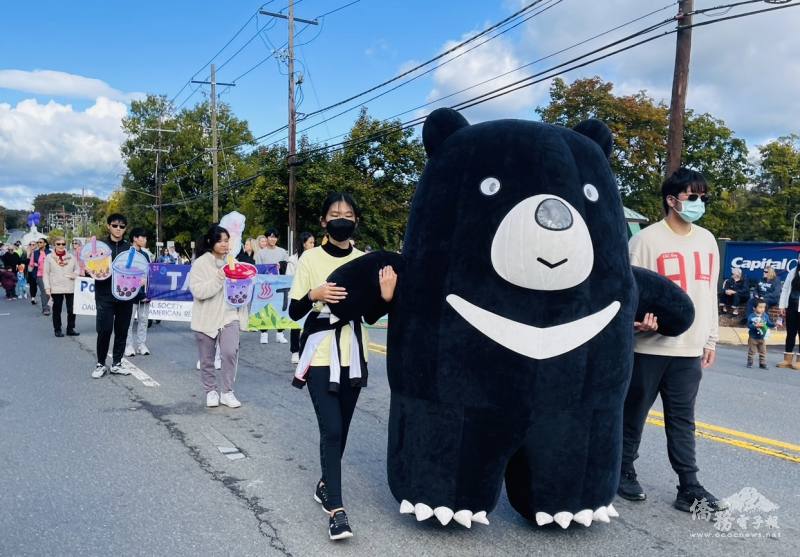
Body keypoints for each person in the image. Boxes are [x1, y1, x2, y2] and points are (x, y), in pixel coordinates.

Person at [288, 192, 397, 541]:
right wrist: (314, 295)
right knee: (332, 429)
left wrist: (386, 297)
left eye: (348, 214)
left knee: (342, 429)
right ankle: (336, 508)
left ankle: (324, 485)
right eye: (335, 214)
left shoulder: (366, 260)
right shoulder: (309, 259)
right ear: (323, 221)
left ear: (356, 221)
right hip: (320, 353)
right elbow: (293, 312)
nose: (341, 219)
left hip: (353, 354)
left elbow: (367, 316)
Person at [618, 168, 728, 513]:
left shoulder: (707, 240)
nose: (698, 203)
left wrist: (711, 339)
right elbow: (627, 292)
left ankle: (689, 486)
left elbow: (708, 291)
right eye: (691, 197)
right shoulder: (646, 240)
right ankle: (622, 470)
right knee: (633, 414)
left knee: (683, 419)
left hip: (689, 349)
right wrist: (637, 323)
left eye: (702, 197)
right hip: (648, 347)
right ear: (671, 199)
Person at [189, 224, 249, 409]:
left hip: (229, 316)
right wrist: (219, 277)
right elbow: (198, 291)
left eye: (226, 240)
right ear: (210, 242)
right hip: (205, 318)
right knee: (206, 359)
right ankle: (211, 391)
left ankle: (227, 392)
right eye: (220, 241)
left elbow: (243, 291)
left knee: (230, 352)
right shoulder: (200, 263)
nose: (224, 244)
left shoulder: (234, 263)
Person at [91, 214, 135, 379]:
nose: (118, 228)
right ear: (108, 226)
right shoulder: (98, 247)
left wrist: (141, 279)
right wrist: (90, 271)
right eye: (115, 225)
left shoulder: (130, 249)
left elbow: (137, 271)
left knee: (122, 330)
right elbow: (91, 268)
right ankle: (100, 363)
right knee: (104, 330)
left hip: (125, 296)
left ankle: (117, 363)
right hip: (104, 295)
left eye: (122, 226)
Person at [255, 228, 290, 344]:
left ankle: (280, 333)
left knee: (281, 307)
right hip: (265, 284)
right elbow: (258, 269)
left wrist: (281, 266)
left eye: (275, 237)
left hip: (280, 283)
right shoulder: (261, 253)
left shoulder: (282, 252)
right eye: (270, 236)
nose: (272, 239)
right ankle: (263, 333)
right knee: (264, 307)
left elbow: (287, 265)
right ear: (266, 238)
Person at [286, 231, 315, 364]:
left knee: (310, 322)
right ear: (304, 244)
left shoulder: (316, 258)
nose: (313, 245)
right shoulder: (293, 259)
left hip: (312, 295)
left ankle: (308, 350)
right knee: (296, 323)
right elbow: (288, 278)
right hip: (298, 294)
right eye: (311, 243)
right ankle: (295, 351)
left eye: (314, 243)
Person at [43, 236, 80, 337]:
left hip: (70, 286)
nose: (61, 246)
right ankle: (57, 329)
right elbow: (45, 273)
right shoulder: (49, 258)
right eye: (58, 244)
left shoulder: (72, 257)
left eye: (63, 244)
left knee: (72, 309)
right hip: (56, 287)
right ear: (54, 245)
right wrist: (47, 287)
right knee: (57, 310)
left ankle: (70, 328)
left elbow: (78, 269)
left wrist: (74, 274)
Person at [125, 228, 152, 357]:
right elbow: (124, 273)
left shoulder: (146, 255)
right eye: (143, 237)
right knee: (128, 320)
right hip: (130, 293)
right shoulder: (127, 253)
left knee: (143, 319)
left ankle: (141, 344)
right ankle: (128, 345)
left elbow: (149, 273)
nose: (145, 240)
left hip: (145, 293)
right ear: (135, 238)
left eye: (146, 238)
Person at [777, 256, 800, 369]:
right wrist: (782, 306)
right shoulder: (793, 271)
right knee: (790, 333)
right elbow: (785, 288)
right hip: (791, 306)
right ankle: (787, 359)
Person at [746, 298, 774, 369]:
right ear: (754, 308)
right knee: (752, 351)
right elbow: (749, 325)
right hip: (753, 337)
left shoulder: (765, 316)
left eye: (764, 307)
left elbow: (769, 324)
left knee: (763, 351)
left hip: (762, 337)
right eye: (760, 307)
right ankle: (750, 362)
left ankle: (762, 363)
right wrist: (755, 326)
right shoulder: (751, 316)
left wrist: (775, 324)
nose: (762, 309)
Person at [33, 239, 51, 314]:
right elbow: (31, 264)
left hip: (50, 275)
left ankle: (49, 305)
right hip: (40, 275)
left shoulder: (50, 253)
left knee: (49, 292)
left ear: (45, 244)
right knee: (44, 291)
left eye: (40, 242)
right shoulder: (35, 253)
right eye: (38, 242)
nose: (38, 243)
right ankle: (45, 308)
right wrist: (34, 264)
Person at [26, 241, 39, 305]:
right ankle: (33, 298)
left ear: (36, 245)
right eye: (30, 244)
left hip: (39, 271)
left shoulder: (38, 252)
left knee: (42, 286)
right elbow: (25, 262)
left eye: (33, 244)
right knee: (32, 285)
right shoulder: (27, 252)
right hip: (31, 271)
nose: (32, 246)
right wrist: (28, 255)